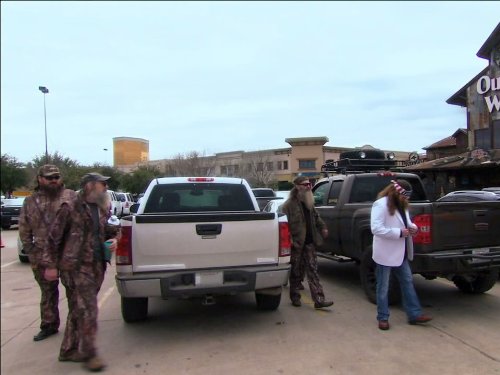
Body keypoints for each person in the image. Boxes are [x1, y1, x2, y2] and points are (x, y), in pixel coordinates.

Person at [47, 172, 118, 371]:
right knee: (89, 309)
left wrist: (114, 239)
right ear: (89, 186)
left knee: (79, 309)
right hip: (77, 266)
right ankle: (90, 355)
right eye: (102, 184)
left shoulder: (103, 207)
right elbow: (53, 238)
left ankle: (68, 350)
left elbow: (110, 229)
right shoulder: (69, 208)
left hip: (97, 264)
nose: (105, 187)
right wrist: (51, 266)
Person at [18, 164, 76, 342]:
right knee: (48, 292)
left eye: (56, 177)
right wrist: (34, 255)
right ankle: (49, 324)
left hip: (68, 254)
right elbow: (24, 231)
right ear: (40, 179)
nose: (53, 180)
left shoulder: (72, 197)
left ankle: (76, 326)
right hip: (42, 255)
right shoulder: (30, 202)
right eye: (49, 177)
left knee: (74, 291)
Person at [371, 179, 432, 331]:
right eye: (405, 196)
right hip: (385, 253)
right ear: (396, 192)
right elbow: (376, 228)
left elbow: (406, 223)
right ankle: (383, 317)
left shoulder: (402, 205)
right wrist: (399, 233)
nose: (407, 199)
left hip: (401, 252)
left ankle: (414, 314)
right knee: (383, 287)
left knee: (407, 281)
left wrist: (413, 228)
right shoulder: (380, 204)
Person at [282, 176, 334, 309]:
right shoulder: (288, 206)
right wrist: (291, 241)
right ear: (298, 186)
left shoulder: (309, 203)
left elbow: (317, 218)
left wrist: (323, 227)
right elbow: (284, 226)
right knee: (295, 272)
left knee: (313, 270)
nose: (308, 187)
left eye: (309, 184)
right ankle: (295, 296)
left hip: (309, 243)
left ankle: (319, 300)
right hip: (296, 244)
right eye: (305, 185)